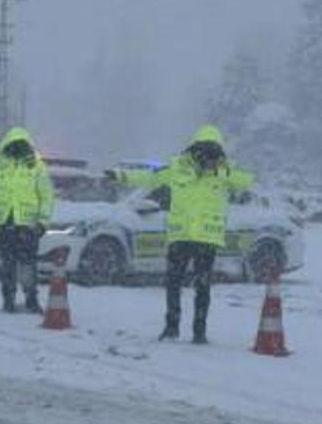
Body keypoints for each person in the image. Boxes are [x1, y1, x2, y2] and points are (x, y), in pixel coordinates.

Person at [107, 124, 254, 344]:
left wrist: (223, 167)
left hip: (207, 239)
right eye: (204, 149)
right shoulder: (178, 168)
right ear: (194, 149)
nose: (207, 156)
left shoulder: (223, 173)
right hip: (181, 237)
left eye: (213, 150)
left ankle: (199, 332)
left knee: (202, 288)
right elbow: (149, 178)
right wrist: (121, 175)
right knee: (173, 284)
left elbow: (247, 181)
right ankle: (171, 328)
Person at [0, 127, 55, 314]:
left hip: (28, 225)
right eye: (14, 145)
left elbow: (46, 196)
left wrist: (43, 222)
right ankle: (9, 300)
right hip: (4, 223)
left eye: (21, 145)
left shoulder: (36, 167)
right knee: (8, 266)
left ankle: (30, 300)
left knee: (27, 265)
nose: (17, 149)